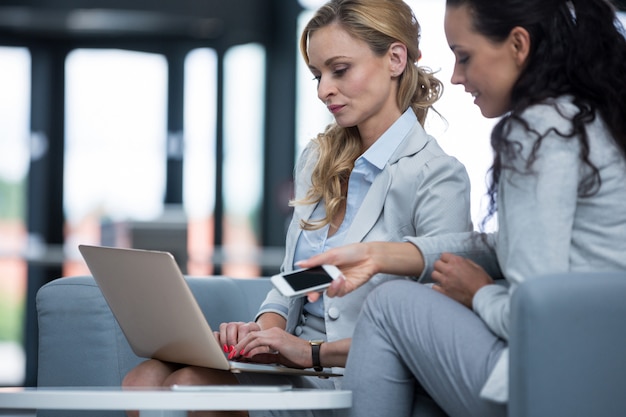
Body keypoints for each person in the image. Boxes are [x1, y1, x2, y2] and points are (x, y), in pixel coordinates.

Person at [122, 0, 472, 416]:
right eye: (318, 75)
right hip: (294, 364)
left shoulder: (437, 176)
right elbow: (296, 282)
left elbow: (433, 331)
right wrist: (262, 333)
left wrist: (308, 351)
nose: (324, 89)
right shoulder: (318, 159)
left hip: (353, 370)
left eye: (339, 70)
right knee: (142, 378)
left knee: (188, 385)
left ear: (395, 59)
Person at [298, 0, 626, 416]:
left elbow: (536, 317)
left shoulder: (539, 132)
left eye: (464, 56)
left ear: (518, 45)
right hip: (606, 367)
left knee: (389, 304)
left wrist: (479, 293)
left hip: (557, 377)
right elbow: (516, 243)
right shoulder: (589, 119)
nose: (454, 76)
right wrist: (383, 255)